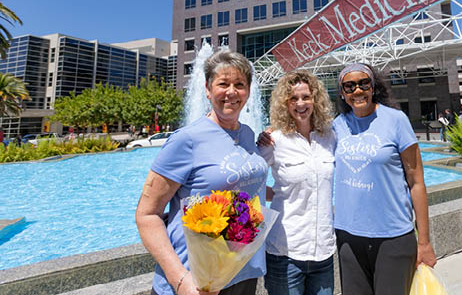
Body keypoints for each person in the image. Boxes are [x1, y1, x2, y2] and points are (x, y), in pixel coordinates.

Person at [135, 49, 268, 295]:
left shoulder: (249, 135)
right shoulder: (186, 139)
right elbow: (147, 214)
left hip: (244, 272)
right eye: (223, 84)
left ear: (248, 91)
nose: (231, 92)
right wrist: (181, 280)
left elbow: (249, 189)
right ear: (207, 89)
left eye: (239, 84)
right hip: (196, 281)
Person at [333, 63, 437, 295]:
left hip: (393, 236)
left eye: (363, 84)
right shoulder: (337, 125)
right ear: (342, 92)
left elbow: (416, 182)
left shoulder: (396, 120)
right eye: (349, 86)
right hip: (349, 236)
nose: (357, 91)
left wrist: (424, 242)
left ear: (373, 87)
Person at [257, 70, 336, 295]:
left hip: (323, 252)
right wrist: (276, 193)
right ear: (285, 103)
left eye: (306, 97)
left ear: (316, 100)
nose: (300, 103)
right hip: (285, 252)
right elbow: (249, 181)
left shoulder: (330, 137)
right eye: (293, 98)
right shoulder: (273, 141)